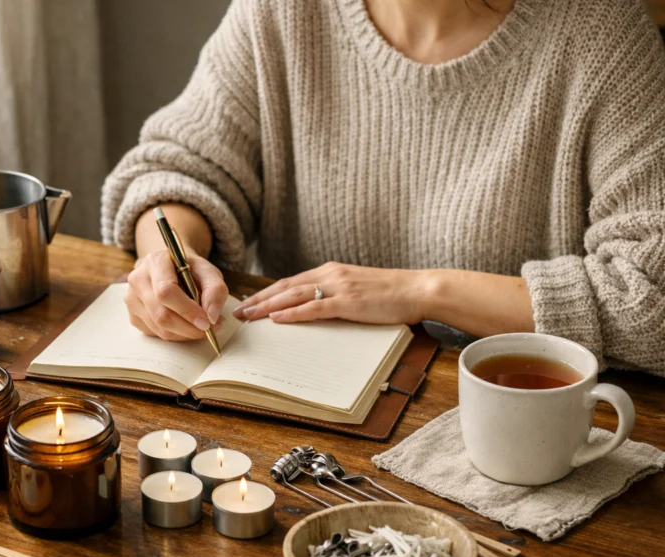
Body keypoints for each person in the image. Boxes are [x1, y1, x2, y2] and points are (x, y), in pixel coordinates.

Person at [101, 0, 665, 375]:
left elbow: (651, 299)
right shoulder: (283, 12)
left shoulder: (604, 35)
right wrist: (165, 261)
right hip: (302, 404)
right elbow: (176, 170)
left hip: (511, 428)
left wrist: (421, 292)